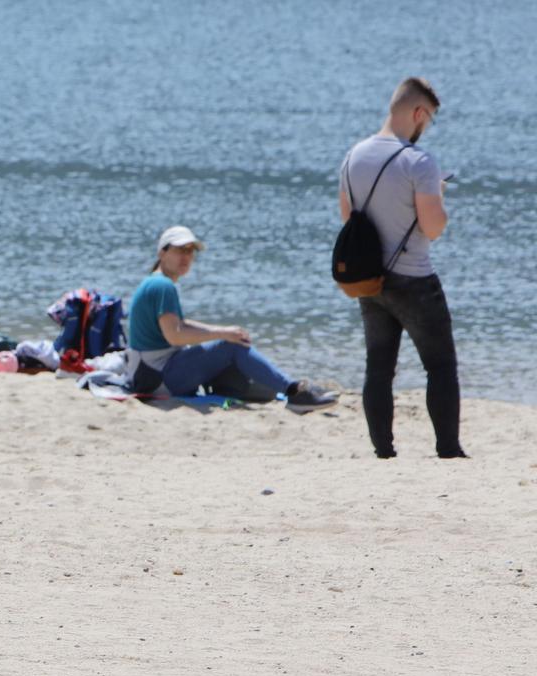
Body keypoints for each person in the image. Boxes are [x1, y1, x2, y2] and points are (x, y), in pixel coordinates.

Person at [340, 77, 461, 459]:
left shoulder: (353, 156)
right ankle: (448, 448)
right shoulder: (419, 162)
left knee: (378, 368)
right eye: (430, 119)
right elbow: (433, 227)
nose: (427, 127)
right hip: (414, 278)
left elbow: (349, 220)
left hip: (371, 281)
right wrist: (437, 195)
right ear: (419, 113)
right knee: (440, 365)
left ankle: (383, 450)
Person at [125, 226, 336, 410]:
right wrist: (223, 335)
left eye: (191, 251)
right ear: (162, 252)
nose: (186, 257)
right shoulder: (163, 286)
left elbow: (179, 325)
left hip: (149, 374)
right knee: (232, 346)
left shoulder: (156, 283)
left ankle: (282, 387)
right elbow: (174, 336)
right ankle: (294, 391)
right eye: (180, 250)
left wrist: (224, 331)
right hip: (157, 378)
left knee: (232, 349)